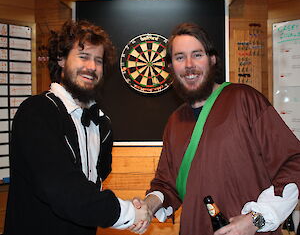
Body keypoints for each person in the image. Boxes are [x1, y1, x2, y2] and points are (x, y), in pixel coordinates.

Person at [130, 22, 300, 235]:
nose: (189, 64)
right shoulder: (175, 122)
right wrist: (148, 205)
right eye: (180, 57)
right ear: (171, 66)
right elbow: (166, 185)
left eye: (197, 55)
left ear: (212, 59)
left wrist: (256, 219)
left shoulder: (244, 99)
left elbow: (294, 162)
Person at [4, 20, 150, 235]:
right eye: (83, 56)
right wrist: (129, 213)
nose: (91, 67)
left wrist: (128, 209)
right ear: (61, 59)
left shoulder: (102, 124)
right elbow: (65, 191)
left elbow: (93, 187)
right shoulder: (37, 113)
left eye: (98, 60)